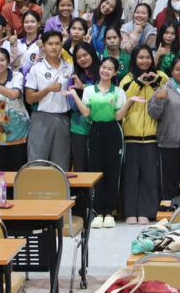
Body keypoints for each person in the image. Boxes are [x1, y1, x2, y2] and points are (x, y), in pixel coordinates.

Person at [69, 56, 125, 228]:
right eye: (103, 67)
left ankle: (109, 212)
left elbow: (118, 116)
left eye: (110, 68)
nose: (105, 71)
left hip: (113, 131)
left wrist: (129, 102)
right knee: (96, 170)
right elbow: (86, 113)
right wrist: (74, 95)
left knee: (113, 171)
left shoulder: (118, 92)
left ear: (115, 72)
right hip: (95, 131)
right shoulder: (89, 90)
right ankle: (98, 211)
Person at [120, 46, 167, 224]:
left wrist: (154, 82)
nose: (145, 61)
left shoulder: (161, 76)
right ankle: (130, 211)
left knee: (150, 176)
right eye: (141, 57)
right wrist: (139, 82)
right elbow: (123, 99)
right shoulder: (128, 79)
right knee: (131, 176)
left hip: (153, 136)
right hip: (131, 134)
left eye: (148, 57)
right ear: (134, 59)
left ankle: (147, 211)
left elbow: (165, 91)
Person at [148, 56, 180, 202]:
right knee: (169, 183)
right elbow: (153, 114)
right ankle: (169, 211)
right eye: (178, 69)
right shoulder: (164, 88)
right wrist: (159, 100)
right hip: (168, 144)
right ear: (171, 71)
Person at [24, 30, 74, 171]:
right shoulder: (36, 69)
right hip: (41, 119)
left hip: (62, 119)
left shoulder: (69, 68)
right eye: (50, 44)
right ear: (43, 46)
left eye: (57, 44)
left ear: (61, 45)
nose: (54, 47)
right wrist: (48, 89)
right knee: (37, 162)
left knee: (61, 165)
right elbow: (29, 98)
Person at [0, 47, 28, 172]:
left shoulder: (17, 76)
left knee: (19, 172)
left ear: (8, 61)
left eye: (2, 60)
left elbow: (14, 94)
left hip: (20, 132)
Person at [67, 43, 99, 172]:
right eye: (78, 57)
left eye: (85, 55)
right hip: (79, 128)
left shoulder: (103, 73)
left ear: (92, 54)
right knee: (80, 166)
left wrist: (84, 87)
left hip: (100, 126)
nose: (82, 59)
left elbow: (106, 97)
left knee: (97, 166)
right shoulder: (74, 78)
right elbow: (73, 106)